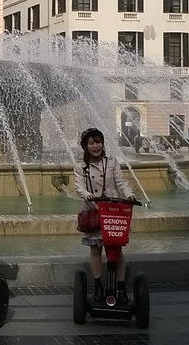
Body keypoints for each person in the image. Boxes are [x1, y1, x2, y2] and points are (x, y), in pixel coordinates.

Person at [74, 127, 136, 304]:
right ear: (85, 146)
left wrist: (129, 195)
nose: (96, 146)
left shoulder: (111, 162)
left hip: (112, 210)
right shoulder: (81, 166)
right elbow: (79, 186)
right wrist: (88, 195)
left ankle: (121, 286)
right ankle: (98, 286)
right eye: (92, 143)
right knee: (95, 249)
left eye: (98, 142)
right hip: (93, 211)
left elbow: (121, 182)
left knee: (116, 249)